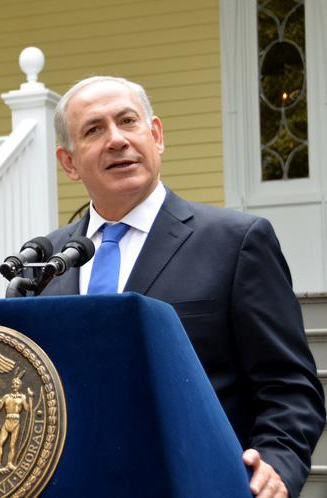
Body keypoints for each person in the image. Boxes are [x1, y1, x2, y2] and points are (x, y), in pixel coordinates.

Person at [40, 76, 326, 498]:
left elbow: (290, 385)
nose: (116, 140)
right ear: (69, 162)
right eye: (94, 130)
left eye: (128, 122)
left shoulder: (236, 242)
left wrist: (278, 461)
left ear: (155, 136)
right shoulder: (48, 259)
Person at [0, 375, 32, 470]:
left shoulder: (22, 397)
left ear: (20, 386)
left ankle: (9, 463)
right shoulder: (6, 396)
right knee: (0, 443)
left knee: (12, 445)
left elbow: (27, 409)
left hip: (15, 422)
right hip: (7, 421)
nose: (14, 385)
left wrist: (30, 397)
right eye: (13, 384)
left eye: (17, 384)